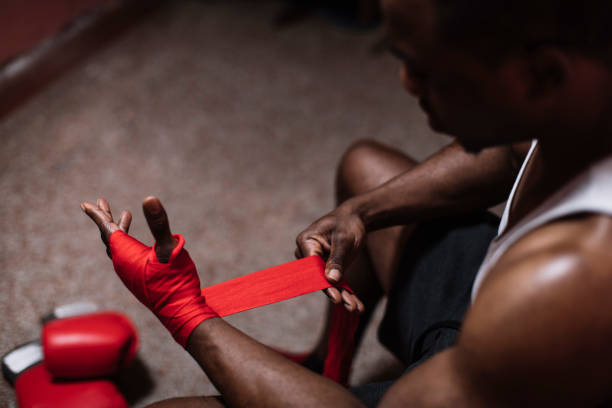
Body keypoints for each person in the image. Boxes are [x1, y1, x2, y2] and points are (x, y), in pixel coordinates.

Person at [82, 0, 612, 406]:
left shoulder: (571, 285)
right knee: (365, 169)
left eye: (424, 68)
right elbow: (513, 149)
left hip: (511, 339)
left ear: (543, 76)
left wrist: (182, 310)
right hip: (493, 302)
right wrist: (363, 211)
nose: (405, 83)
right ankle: (321, 364)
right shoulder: (584, 87)